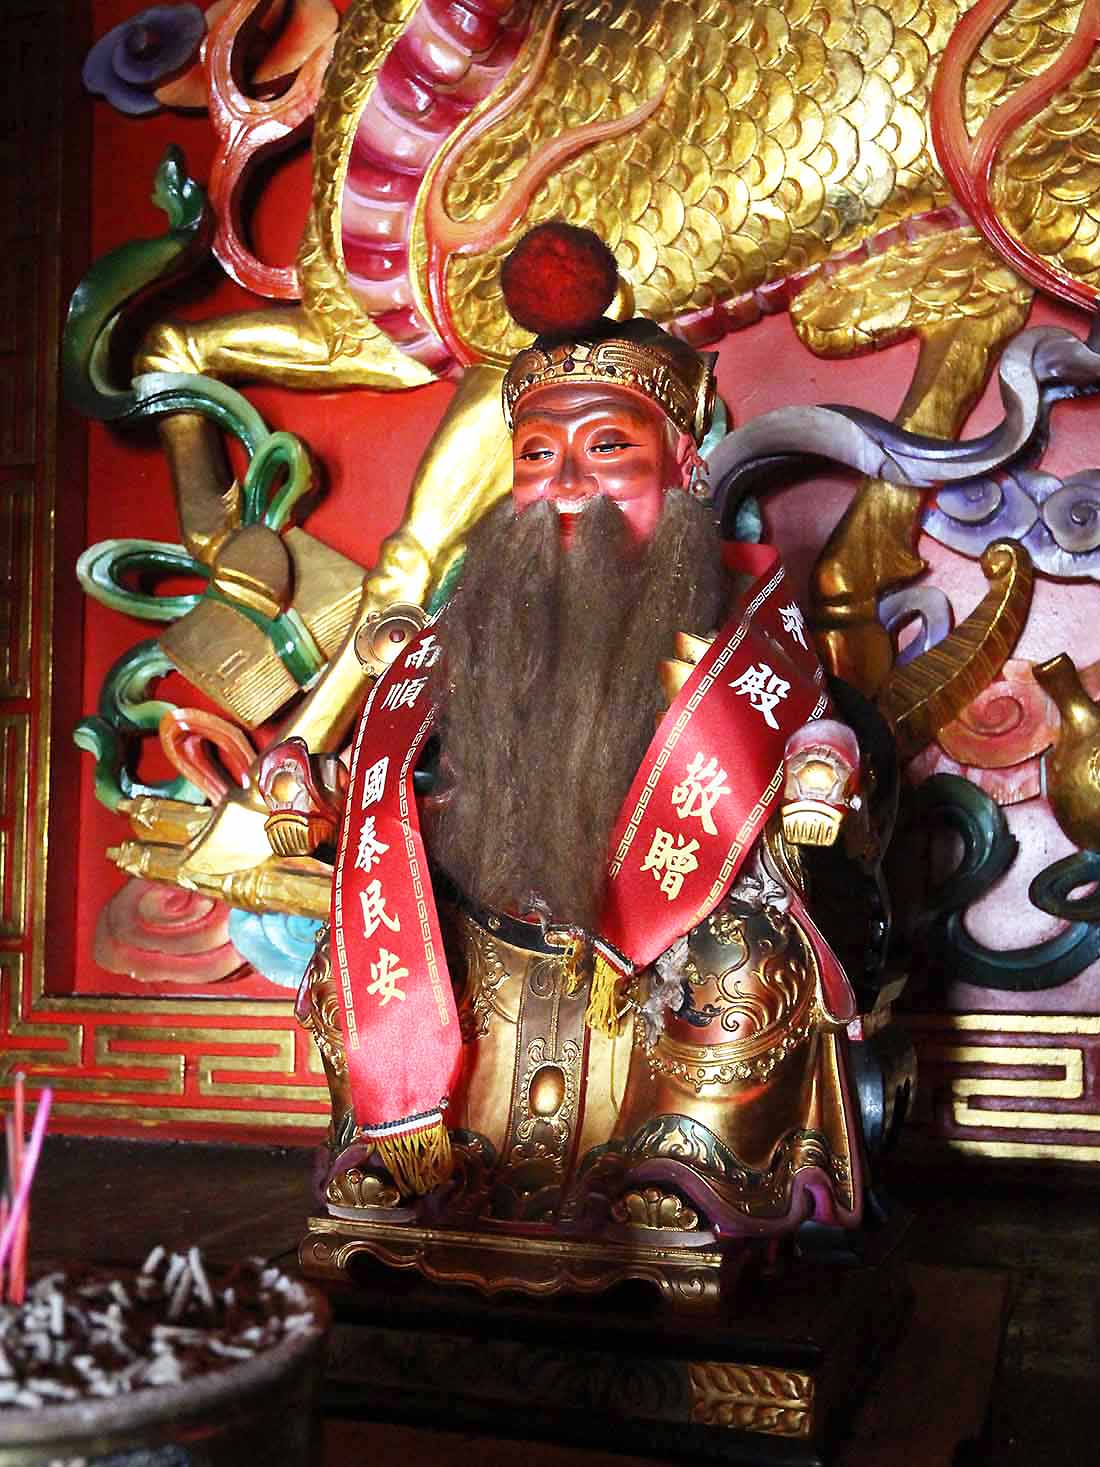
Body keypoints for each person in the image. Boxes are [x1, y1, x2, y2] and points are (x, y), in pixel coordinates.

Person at [262, 223, 870, 1243]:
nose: (570, 482)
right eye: (538, 456)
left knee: (742, 954)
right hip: (492, 911)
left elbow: (815, 732)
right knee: (365, 942)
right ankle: (402, 1143)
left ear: (682, 465)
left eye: (608, 448)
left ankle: (689, 1156)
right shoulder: (463, 629)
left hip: (664, 920)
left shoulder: (740, 629)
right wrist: (317, 790)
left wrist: (819, 767)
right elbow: (396, 778)